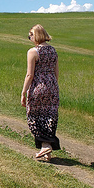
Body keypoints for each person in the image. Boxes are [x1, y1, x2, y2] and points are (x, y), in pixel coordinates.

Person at [20, 24, 60, 161]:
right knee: (49, 115)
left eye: (30, 35)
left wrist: (23, 92)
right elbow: (56, 72)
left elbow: (29, 75)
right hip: (52, 85)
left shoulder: (33, 52)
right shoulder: (53, 51)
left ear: (36, 35)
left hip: (38, 86)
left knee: (34, 116)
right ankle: (46, 148)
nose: (29, 38)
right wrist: (54, 86)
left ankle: (45, 146)